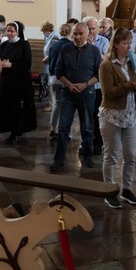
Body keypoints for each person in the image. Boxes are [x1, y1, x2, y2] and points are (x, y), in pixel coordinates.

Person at [99, 28, 136, 209]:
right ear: (116, 44)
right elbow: (108, 92)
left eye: (130, 42)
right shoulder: (107, 65)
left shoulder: (131, 63)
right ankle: (109, 191)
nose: (129, 46)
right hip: (112, 115)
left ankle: (126, 189)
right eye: (125, 43)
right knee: (111, 156)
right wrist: (129, 85)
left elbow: (134, 83)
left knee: (131, 156)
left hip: (130, 115)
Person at [51, 22, 102, 172]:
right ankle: (59, 159)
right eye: (75, 34)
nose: (78, 37)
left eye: (81, 34)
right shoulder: (65, 49)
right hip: (68, 92)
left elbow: (98, 74)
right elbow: (58, 70)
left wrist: (85, 85)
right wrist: (69, 85)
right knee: (63, 127)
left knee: (87, 127)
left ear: (88, 35)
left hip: (87, 93)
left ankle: (87, 156)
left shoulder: (94, 51)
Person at [0, 21, 37, 144]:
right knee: (6, 106)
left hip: (19, 82)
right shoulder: (3, 45)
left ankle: (15, 131)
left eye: (12, 31)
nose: (9, 33)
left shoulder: (24, 44)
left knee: (16, 107)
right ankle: (9, 129)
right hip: (5, 80)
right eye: (8, 31)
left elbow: (27, 63)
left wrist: (11, 64)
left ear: (17, 32)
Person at [85, 17, 109, 156]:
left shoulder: (104, 41)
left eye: (94, 28)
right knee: (86, 115)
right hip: (85, 84)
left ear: (98, 29)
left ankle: (98, 142)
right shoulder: (81, 41)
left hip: (99, 85)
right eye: (89, 28)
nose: (92, 31)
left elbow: (104, 60)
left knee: (97, 114)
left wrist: (92, 48)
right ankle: (86, 142)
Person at [47, 23, 73, 138]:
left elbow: (49, 60)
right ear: (70, 33)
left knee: (56, 103)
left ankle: (53, 127)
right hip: (65, 78)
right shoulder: (71, 45)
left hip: (53, 77)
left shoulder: (54, 44)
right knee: (67, 105)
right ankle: (63, 130)